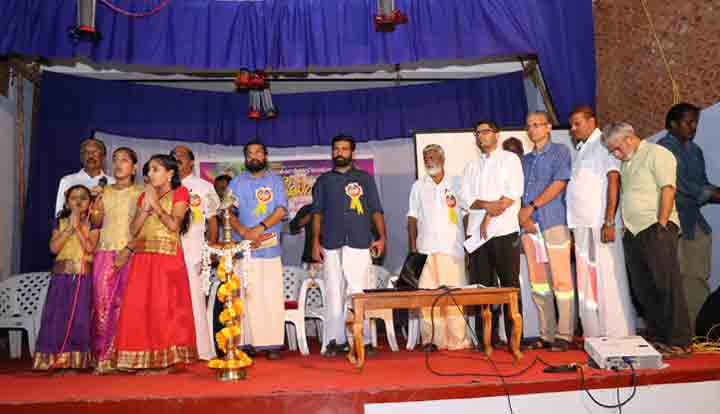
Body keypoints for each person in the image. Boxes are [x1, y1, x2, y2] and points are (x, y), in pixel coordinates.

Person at [601, 122, 692, 357]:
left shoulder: (657, 153)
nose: (615, 154)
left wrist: (662, 224)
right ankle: (660, 338)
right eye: (612, 151)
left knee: (666, 285)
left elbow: (668, 189)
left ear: (629, 138)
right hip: (633, 233)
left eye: (616, 148)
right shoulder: (627, 162)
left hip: (656, 227)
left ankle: (680, 341)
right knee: (643, 289)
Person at [114, 154, 197, 371]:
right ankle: (144, 358)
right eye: (149, 170)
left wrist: (156, 206)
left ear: (170, 173)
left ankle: (167, 359)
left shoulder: (180, 192)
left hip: (167, 257)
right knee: (140, 308)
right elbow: (134, 230)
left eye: (155, 169)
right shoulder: (144, 196)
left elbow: (174, 226)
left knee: (164, 309)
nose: (150, 174)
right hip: (143, 257)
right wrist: (145, 207)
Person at [312, 134, 387, 357]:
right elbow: (317, 213)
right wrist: (315, 241)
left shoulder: (365, 178)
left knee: (359, 291)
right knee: (334, 293)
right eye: (336, 149)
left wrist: (382, 237)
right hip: (331, 243)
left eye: (344, 149)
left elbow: (376, 209)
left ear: (352, 152)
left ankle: (364, 340)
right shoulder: (324, 180)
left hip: (359, 241)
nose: (340, 152)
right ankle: (335, 341)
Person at [566, 106, 635, 338]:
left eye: (577, 123)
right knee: (587, 281)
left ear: (591, 121)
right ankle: (593, 334)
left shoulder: (603, 144)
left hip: (599, 222)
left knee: (608, 278)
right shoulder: (582, 148)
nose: (572, 128)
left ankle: (617, 333)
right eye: (571, 124)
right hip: (581, 223)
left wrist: (609, 221)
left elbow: (613, 180)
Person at [461, 121, 524, 350]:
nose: (481, 136)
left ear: (497, 135)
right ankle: (485, 339)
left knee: (509, 287)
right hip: (478, 236)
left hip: (504, 230)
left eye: (485, 132)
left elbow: (513, 193)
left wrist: (490, 213)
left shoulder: (510, 159)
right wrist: (487, 206)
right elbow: (466, 199)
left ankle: (514, 339)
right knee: (482, 289)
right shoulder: (471, 166)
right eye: (477, 133)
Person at [658, 103, 720, 331]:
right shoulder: (663, 150)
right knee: (677, 280)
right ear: (673, 124)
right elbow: (681, 186)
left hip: (694, 222)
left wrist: (712, 191)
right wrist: (712, 193)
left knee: (697, 278)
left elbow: (702, 185)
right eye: (688, 122)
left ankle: (697, 331)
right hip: (673, 223)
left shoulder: (695, 151)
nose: (693, 127)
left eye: (696, 122)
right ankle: (681, 332)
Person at [518, 111, 575, 352]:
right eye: (529, 126)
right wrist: (524, 219)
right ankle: (546, 334)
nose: (532, 129)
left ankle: (565, 334)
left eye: (537, 125)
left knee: (562, 281)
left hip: (553, 223)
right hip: (530, 228)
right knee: (539, 284)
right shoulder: (524, 160)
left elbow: (559, 183)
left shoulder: (560, 152)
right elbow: (517, 193)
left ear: (549, 127)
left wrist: (531, 207)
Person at [227, 141, 288, 360]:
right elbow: (228, 211)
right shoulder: (236, 182)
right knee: (244, 297)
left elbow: (281, 210)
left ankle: (271, 344)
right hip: (243, 248)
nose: (254, 157)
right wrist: (243, 231)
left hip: (269, 247)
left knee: (270, 296)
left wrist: (259, 228)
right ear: (245, 158)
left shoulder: (275, 180)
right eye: (250, 153)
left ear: (265, 156)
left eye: (258, 153)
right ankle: (245, 343)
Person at [408, 144, 469, 351]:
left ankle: (457, 341)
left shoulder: (457, 182)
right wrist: (413, 248)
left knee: (453, 297)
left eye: (432, 157)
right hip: (425, 249)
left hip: (452, 247)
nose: (428, 161)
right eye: (425, 158)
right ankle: (432, 340)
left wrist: (468, 244)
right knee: (427, 298)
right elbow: (412, 217)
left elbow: (467, 212)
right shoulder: (418, 186)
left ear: (442, 159)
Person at [90, 147, 144, 373]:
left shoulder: (141, 192)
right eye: (115, 160)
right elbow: (96, 223)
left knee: (129, 306)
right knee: (102, 304)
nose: (118, 164)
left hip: (132, 253)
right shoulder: (104, 192)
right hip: (104, 252)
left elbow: (145, 226)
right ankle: (103, 358)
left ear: (134, 167)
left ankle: (128, 358)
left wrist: (128, 250)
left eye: (124, 160)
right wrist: (95, 202)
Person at [34, 185, 99, 370]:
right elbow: (54, 249)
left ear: (90, 203)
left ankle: (76, 361)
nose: (78, 201)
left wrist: (77, 228)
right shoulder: (60, 222)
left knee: (79, 319)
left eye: (83, 198)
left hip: (82, 279)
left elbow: (89, 248)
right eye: (73, 198)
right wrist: (69, 228)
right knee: (57, 317)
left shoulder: (94, 224)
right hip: (61, 278)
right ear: (67, 202)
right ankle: (52, 358)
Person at [171, 145, 221, 360]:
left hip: (194, 249)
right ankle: (172, 349)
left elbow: (212, 220)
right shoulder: (165, 185)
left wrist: (211, 248)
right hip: (168, 247)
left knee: (195, 299)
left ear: (192, 161)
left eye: (181, 156)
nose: (176, 159)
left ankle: (200, 349)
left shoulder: (204, 186)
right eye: (173, 156)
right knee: (170, 299)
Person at [55, 136, 114, 215]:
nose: (91, 156)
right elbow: (59, 214)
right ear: (81, 157)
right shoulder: (67, 181)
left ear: (103, 157)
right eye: (86, 152)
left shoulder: (112, 182)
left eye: (95, 152)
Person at [289, 203, 318, 268]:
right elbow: (293, 227)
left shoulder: (333, 210)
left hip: (330, 255)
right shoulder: (307, 209)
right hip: (308, 258)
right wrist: (305, 219)